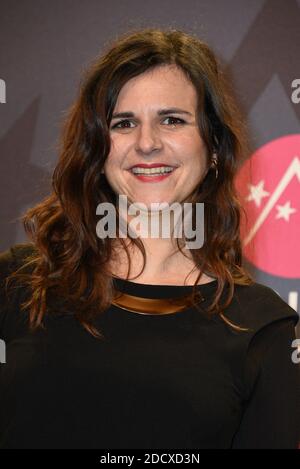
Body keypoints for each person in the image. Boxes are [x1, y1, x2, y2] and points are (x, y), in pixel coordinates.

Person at [0, 28, 299, 449]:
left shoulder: (262, 327)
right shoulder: (17, 284)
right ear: (98, 148)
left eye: (172, 120)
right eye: (124, 123)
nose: (146, 143)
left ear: (213, 146)